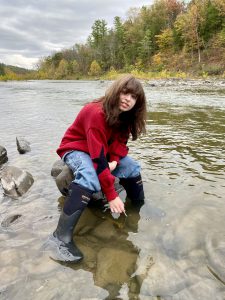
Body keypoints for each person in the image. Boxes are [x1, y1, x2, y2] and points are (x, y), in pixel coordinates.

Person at [52, 75, 147, 262]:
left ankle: (137, 208)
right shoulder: (95, 112)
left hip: (100, 150)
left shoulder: (126, 116)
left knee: (133, 167)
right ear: (116, 91)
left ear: (138, 103)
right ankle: (60, 237)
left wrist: (115, 159)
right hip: (76, 147)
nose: (128, 99)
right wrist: (111, 195)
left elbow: (120, 143)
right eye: (125, 92)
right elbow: (97, 160)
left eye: (134, 97)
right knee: (89, 177)